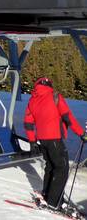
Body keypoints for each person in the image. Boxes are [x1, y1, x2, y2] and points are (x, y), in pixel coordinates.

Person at [24, 77, 87, 210]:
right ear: (50, 85)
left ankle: (47, 194)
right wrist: (81, 133)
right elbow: (67, 117)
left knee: (50, 166)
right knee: (61, 168)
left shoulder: (33, 99)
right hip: (54, 139)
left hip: (43, 140)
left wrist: (32, 142)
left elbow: (28, 123)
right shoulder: (55, 96)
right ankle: (54, 202)